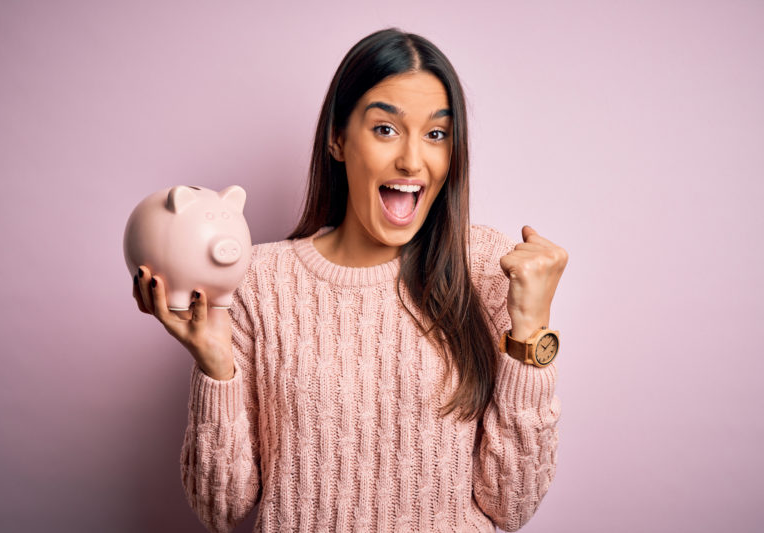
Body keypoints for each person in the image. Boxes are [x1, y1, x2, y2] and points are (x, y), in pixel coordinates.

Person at [132, 27, 568, 533]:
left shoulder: (489, 268)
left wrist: (531, 332)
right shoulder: (258, 283)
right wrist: (215, 366)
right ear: (338, 139)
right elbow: (220, 508)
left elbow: (512, 505)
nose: (412, 159)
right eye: (386, 129)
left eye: (436, 134)